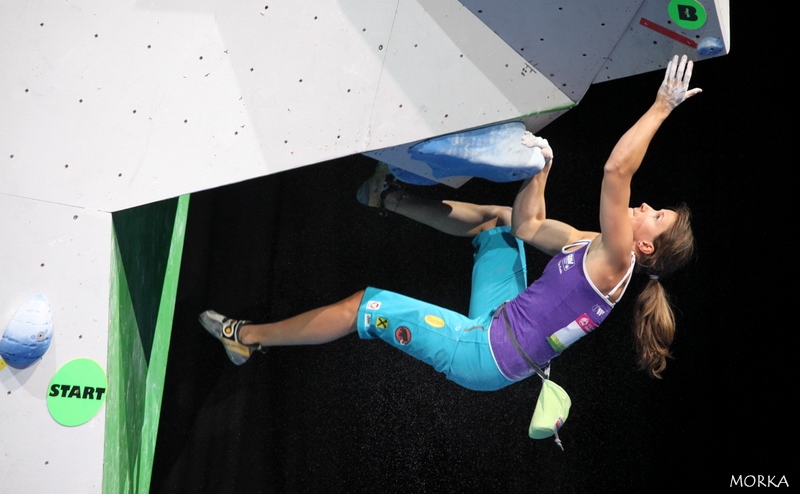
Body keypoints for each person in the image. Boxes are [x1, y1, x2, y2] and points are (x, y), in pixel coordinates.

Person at [199, 55, 699, 389]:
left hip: (483, 351)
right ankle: (384, 196)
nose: (645, 207)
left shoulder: (615, 260)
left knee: (363, 307)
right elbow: (529, 226)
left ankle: (244, 338)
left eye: (654, 217)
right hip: (507, 317)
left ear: (647, 248)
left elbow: (617, 170)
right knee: (500, 227)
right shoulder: (597, 247)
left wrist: (661, 106)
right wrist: (541, 172)